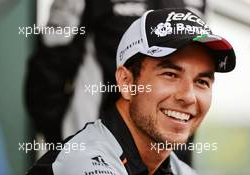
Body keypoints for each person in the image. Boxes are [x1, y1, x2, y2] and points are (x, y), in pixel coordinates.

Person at [26, 8, 236, 175]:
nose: (188, 96)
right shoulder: (83, 163)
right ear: (126, 82)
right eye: (170, 74)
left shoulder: (178, 168)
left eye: (201, 81)